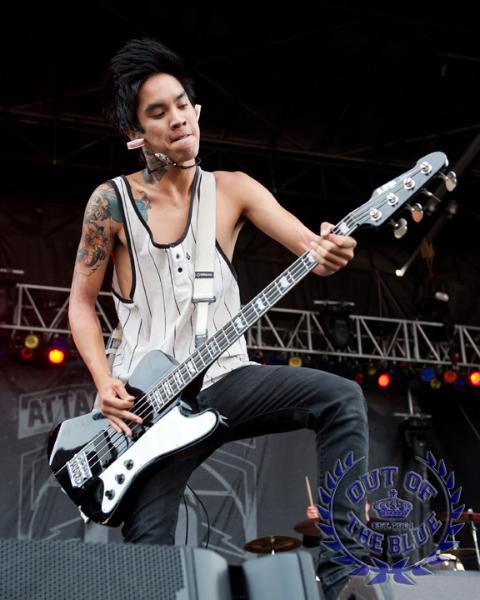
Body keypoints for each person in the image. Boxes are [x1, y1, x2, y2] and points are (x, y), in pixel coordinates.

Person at [67, 37, 369, 600]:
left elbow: (312, 248)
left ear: (198, 111)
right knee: (149, 556)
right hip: (147, 407)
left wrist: (330, 249)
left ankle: (342, 580)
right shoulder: (110, 203)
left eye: (183, 104)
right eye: (159, 112)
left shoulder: (233, 189)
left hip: (228, 378)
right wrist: (103, 382)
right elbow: (81, 303)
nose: (177, 118)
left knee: (341, 399)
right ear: (136, 134)